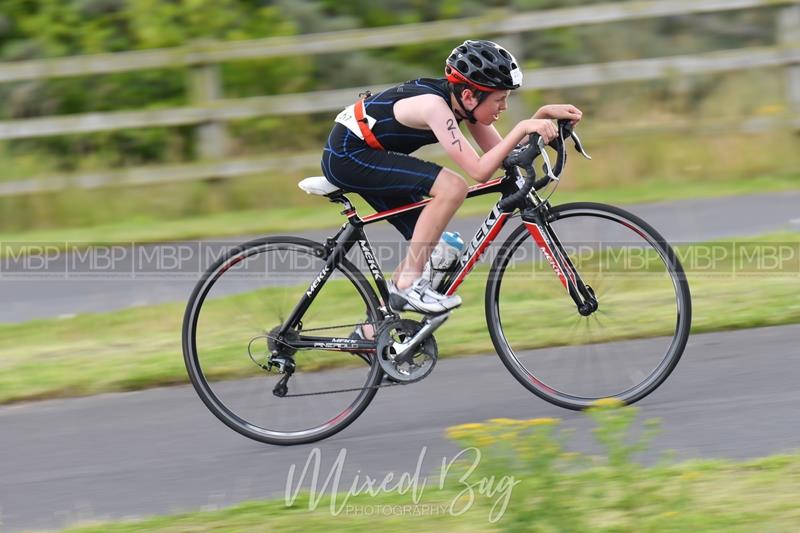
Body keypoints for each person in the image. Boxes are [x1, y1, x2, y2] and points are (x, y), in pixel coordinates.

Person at [321, 39, 582, 315]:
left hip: (372, 153)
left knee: (440, 250)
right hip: (348, 155)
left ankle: (374, 332)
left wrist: (541, 119)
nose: (504, 106)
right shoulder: (435, 107)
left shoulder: (465, 106)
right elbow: (479, 171)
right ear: (470, 96)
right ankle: (407, 286)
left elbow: (502, 156)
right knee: (452, 187)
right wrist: (522, 127)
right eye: (499, 99)